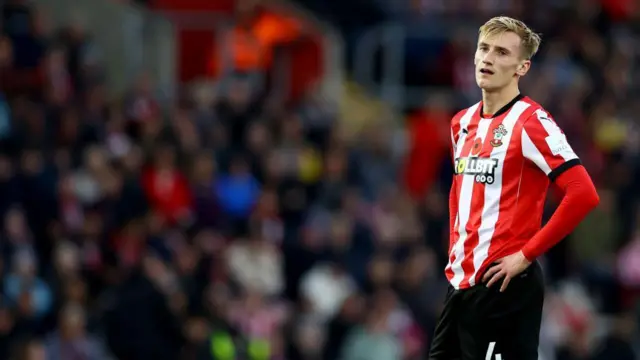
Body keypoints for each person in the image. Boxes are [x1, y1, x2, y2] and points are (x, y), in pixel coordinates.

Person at [428, 16, 600, 360]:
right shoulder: (461, 122)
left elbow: (583, 193)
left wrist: (526, 255)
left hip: (504, 285)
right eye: (484, 49)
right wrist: (456, 253)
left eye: (502, 52)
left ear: (523, 67)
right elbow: (459, 193)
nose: (489, 59)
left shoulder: (531, 121)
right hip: (461, 284)